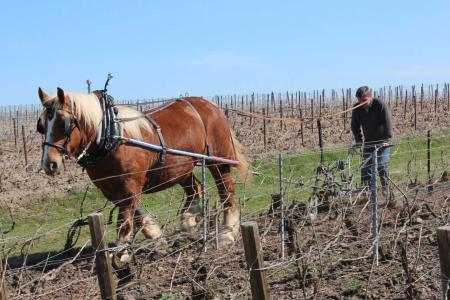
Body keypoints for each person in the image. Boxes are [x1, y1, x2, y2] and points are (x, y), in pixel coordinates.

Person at [351, 86, 393, 194]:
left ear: (370, 97)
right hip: (369, 142)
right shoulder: (357, 109)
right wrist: (358, 140)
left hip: (383, 141)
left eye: (364, 101)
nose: (362, 104)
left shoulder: (379, 104)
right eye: (359, 101)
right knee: (365, 167)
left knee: (381, 165)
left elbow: (387, 122)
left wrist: (387, 139)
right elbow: (355, 126)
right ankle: (367, 191)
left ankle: (386, 190)